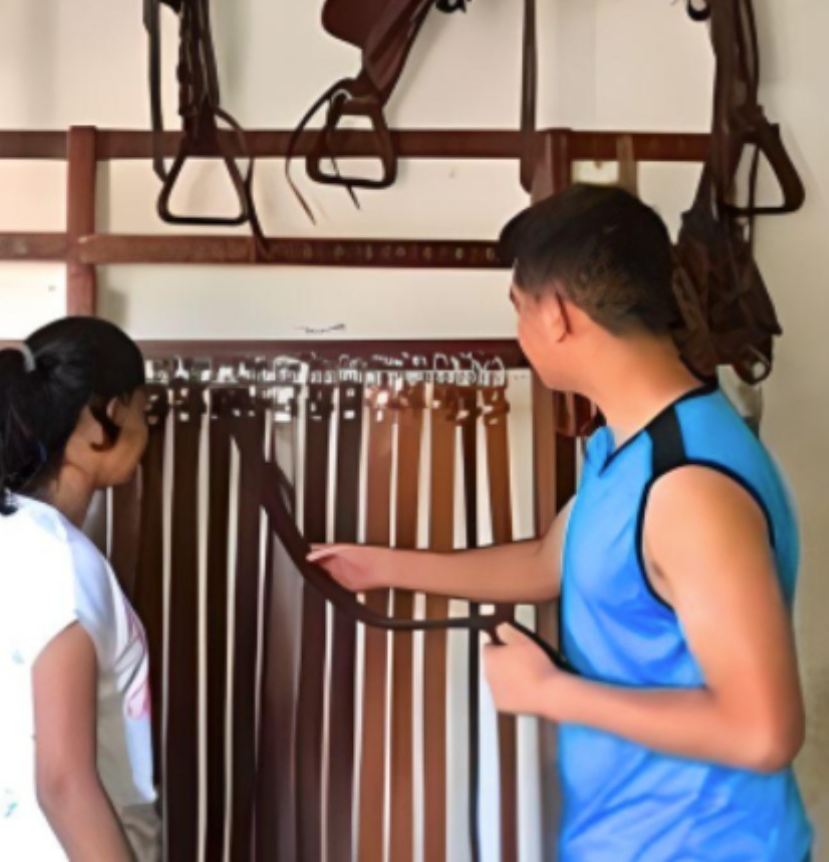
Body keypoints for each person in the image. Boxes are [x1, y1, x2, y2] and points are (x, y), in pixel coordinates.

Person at [310, 184, 812, 861]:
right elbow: (553, 559)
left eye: (518, 309)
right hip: (624, 840)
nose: (519, 332)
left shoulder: (689, 488)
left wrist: (552, 691)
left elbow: (764, 731)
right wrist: (383, 566)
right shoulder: (624, 446)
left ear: (557, 316)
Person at [0, 317, 158, 862]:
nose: (147, 427)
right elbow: (64, 784)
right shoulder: (60, 560)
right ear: (101, 421)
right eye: (142, 409)